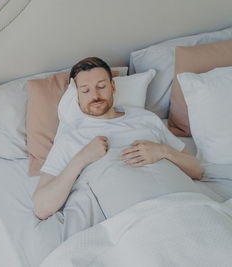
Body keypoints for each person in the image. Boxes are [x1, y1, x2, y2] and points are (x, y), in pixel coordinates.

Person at [32, 57, 203, 220]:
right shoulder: (71, 137)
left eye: (101, 86)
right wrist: (82, 158)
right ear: (77, 95)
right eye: (85, 90)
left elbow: (197, 170)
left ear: (113, 87)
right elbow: (41, 207)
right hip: (134, 215)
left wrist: (164, 151)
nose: (95, 96)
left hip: (185, 203)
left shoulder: (146, 119)